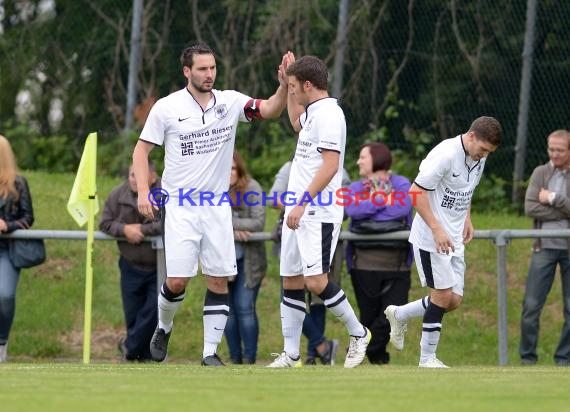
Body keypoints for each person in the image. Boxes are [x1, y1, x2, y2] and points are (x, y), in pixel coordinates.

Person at [132, 42, 289, 366]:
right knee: (177, 281)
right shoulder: (167, 107)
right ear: (187, 71)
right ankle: (164, 326)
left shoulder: (229, 102)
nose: (209, 74)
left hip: (217, 206)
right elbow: (141, 151)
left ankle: (209, 354)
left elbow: (271, 109)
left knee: (219, 279)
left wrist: (284, 84)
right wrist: (144, 191)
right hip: (180, 205)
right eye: (202, 69)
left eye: (213, 68)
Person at [268, 53, 371, 368]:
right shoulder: (313, 112)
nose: (293, 91)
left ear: (309, 85)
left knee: (315, 281)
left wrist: (300, 203)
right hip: (298, 212)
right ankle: (292, 354)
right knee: (291, 279)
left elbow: (330, 166)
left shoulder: (329, 115)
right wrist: (285, 86)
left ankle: (358, 333)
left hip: (317, 211)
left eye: (295, 86)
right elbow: (296, 123)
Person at [384, 116, 502, 368]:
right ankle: (427, 359)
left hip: (454, 237)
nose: (484, 155)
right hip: (431, 238)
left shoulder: (479, 156)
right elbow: (416, 192)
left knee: (453, 300)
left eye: (488, 152)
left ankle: (400, 313)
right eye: (482, 149)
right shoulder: (446, 154)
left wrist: (467, 218)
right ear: (471, 136)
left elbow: (465, 189)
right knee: (441, 295)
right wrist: (437, 229)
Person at [269, 159, 351, 365]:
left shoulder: (337, 167)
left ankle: (312, 354)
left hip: (322, 233)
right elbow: (273, 197)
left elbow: (346, 203)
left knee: (317, 296)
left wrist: (313, 204)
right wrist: (298, 205)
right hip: (295, 230)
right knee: (289, 293)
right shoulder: (290, 167)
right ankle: (321, 346)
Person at [344, 142, 413, 365]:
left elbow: (401, 209)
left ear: (377, 158)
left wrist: (370, 208)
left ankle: (360, 349)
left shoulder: (401, 183)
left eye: (363, 157)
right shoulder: (355, 187)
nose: (358, 161)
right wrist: (383, 199)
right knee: (369, 317)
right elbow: (352, 210)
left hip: (397, 265)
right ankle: (378, 360)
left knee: (392, 316)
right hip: (362, 264)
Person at [99, 163, 162, 362]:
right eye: (132, 175)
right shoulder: (117, 194)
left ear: (152, 177)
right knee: (133, 315)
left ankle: (129, 346)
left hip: (160, 266)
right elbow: (105, 223)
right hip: (130, 264)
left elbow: (171, 221)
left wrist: (143, 231)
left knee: (154, 310)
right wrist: (124, 229)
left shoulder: (167, 193)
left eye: (140, 175)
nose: (135, 180)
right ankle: (138, 356)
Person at [520, 129, 570, 367]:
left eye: (560, 150)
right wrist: (564, 209)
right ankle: (527, 359)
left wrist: (553, 199)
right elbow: (530, 207)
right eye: (551, 149)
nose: (555, 154)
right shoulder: (540, 172)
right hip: (544, 248)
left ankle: (564, 360)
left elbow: (543, 203)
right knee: (531, 306)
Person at [225, 151, 267, 364]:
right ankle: (235, 359)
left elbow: (258, 223)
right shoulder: (212, 189)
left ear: (239, 169)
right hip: (222, 259)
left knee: (244, 307)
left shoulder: (252, 187)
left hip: (249, 261)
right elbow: (207, 220)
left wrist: (227, 226)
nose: (229, 172)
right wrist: (230, 231)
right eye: (225, 167)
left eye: (232, 168)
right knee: (228, 312)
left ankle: (250, 359)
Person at [0, 135, 36, 362]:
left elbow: (28, 217)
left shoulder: (18, 184)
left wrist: (7, 225)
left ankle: (2, 341)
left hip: (7, 249)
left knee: (4, 295)